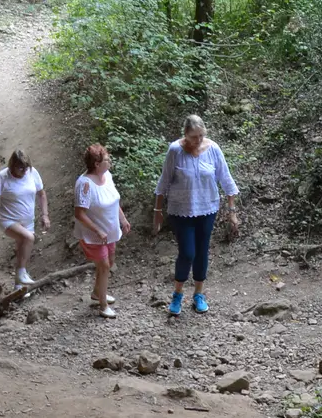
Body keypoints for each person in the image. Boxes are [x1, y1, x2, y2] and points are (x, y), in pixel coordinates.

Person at [152, 114, 239, 315]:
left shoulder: (213, 149)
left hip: (207, 209)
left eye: (201, 135)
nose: (198, 140)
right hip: (181, 211)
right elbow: (164, 181)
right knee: (187, 252)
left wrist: (232, 211)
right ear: (185, 134)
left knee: (202, 251)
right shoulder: (175, 150)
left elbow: (226, 179)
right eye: (193, 137)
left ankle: (198, 294)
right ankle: (177, 294)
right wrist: (157, 211)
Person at [73, 143, 131, 319]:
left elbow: (114, 201)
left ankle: (97, 292)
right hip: (93, 234)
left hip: (110, 230)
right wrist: (97, 230)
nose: (110, 162)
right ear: (97, 164)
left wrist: (123, 219)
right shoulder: (85, 184)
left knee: (109, 262)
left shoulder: (107, 176)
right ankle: (103, 305)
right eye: (107, 160)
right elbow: (79, 213)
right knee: (104, 266)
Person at [0, 149, 49, 286]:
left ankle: (18, 287)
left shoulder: (32, 173)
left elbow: (41, 194)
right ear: (12, 165)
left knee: (22, 251)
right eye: (20, 167)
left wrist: (45, 215)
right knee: (29, 238)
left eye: (26, 167)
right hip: (8, 220)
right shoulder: (2, 177)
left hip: (28, 222)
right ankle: (21, 274)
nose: (24, 171)